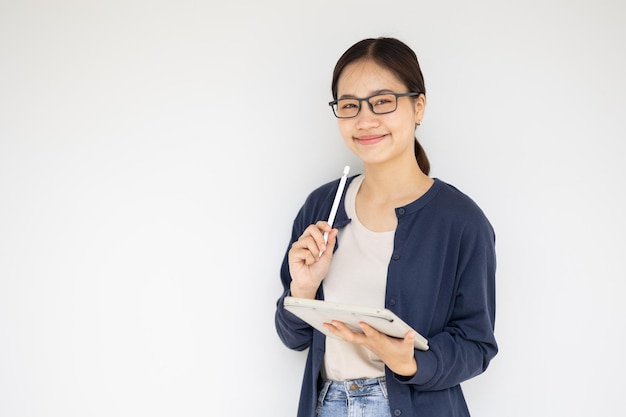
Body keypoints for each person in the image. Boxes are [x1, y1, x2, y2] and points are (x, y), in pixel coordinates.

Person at [275, 37, 497, 417]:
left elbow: (477, 345)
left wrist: (409, 361)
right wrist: (304, 289)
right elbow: (293, 337)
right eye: (349, 105)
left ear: (418, 106)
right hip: (325, 406)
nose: (365, 120)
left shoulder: (461, 221)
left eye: (382, 101)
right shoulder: (321, 207)